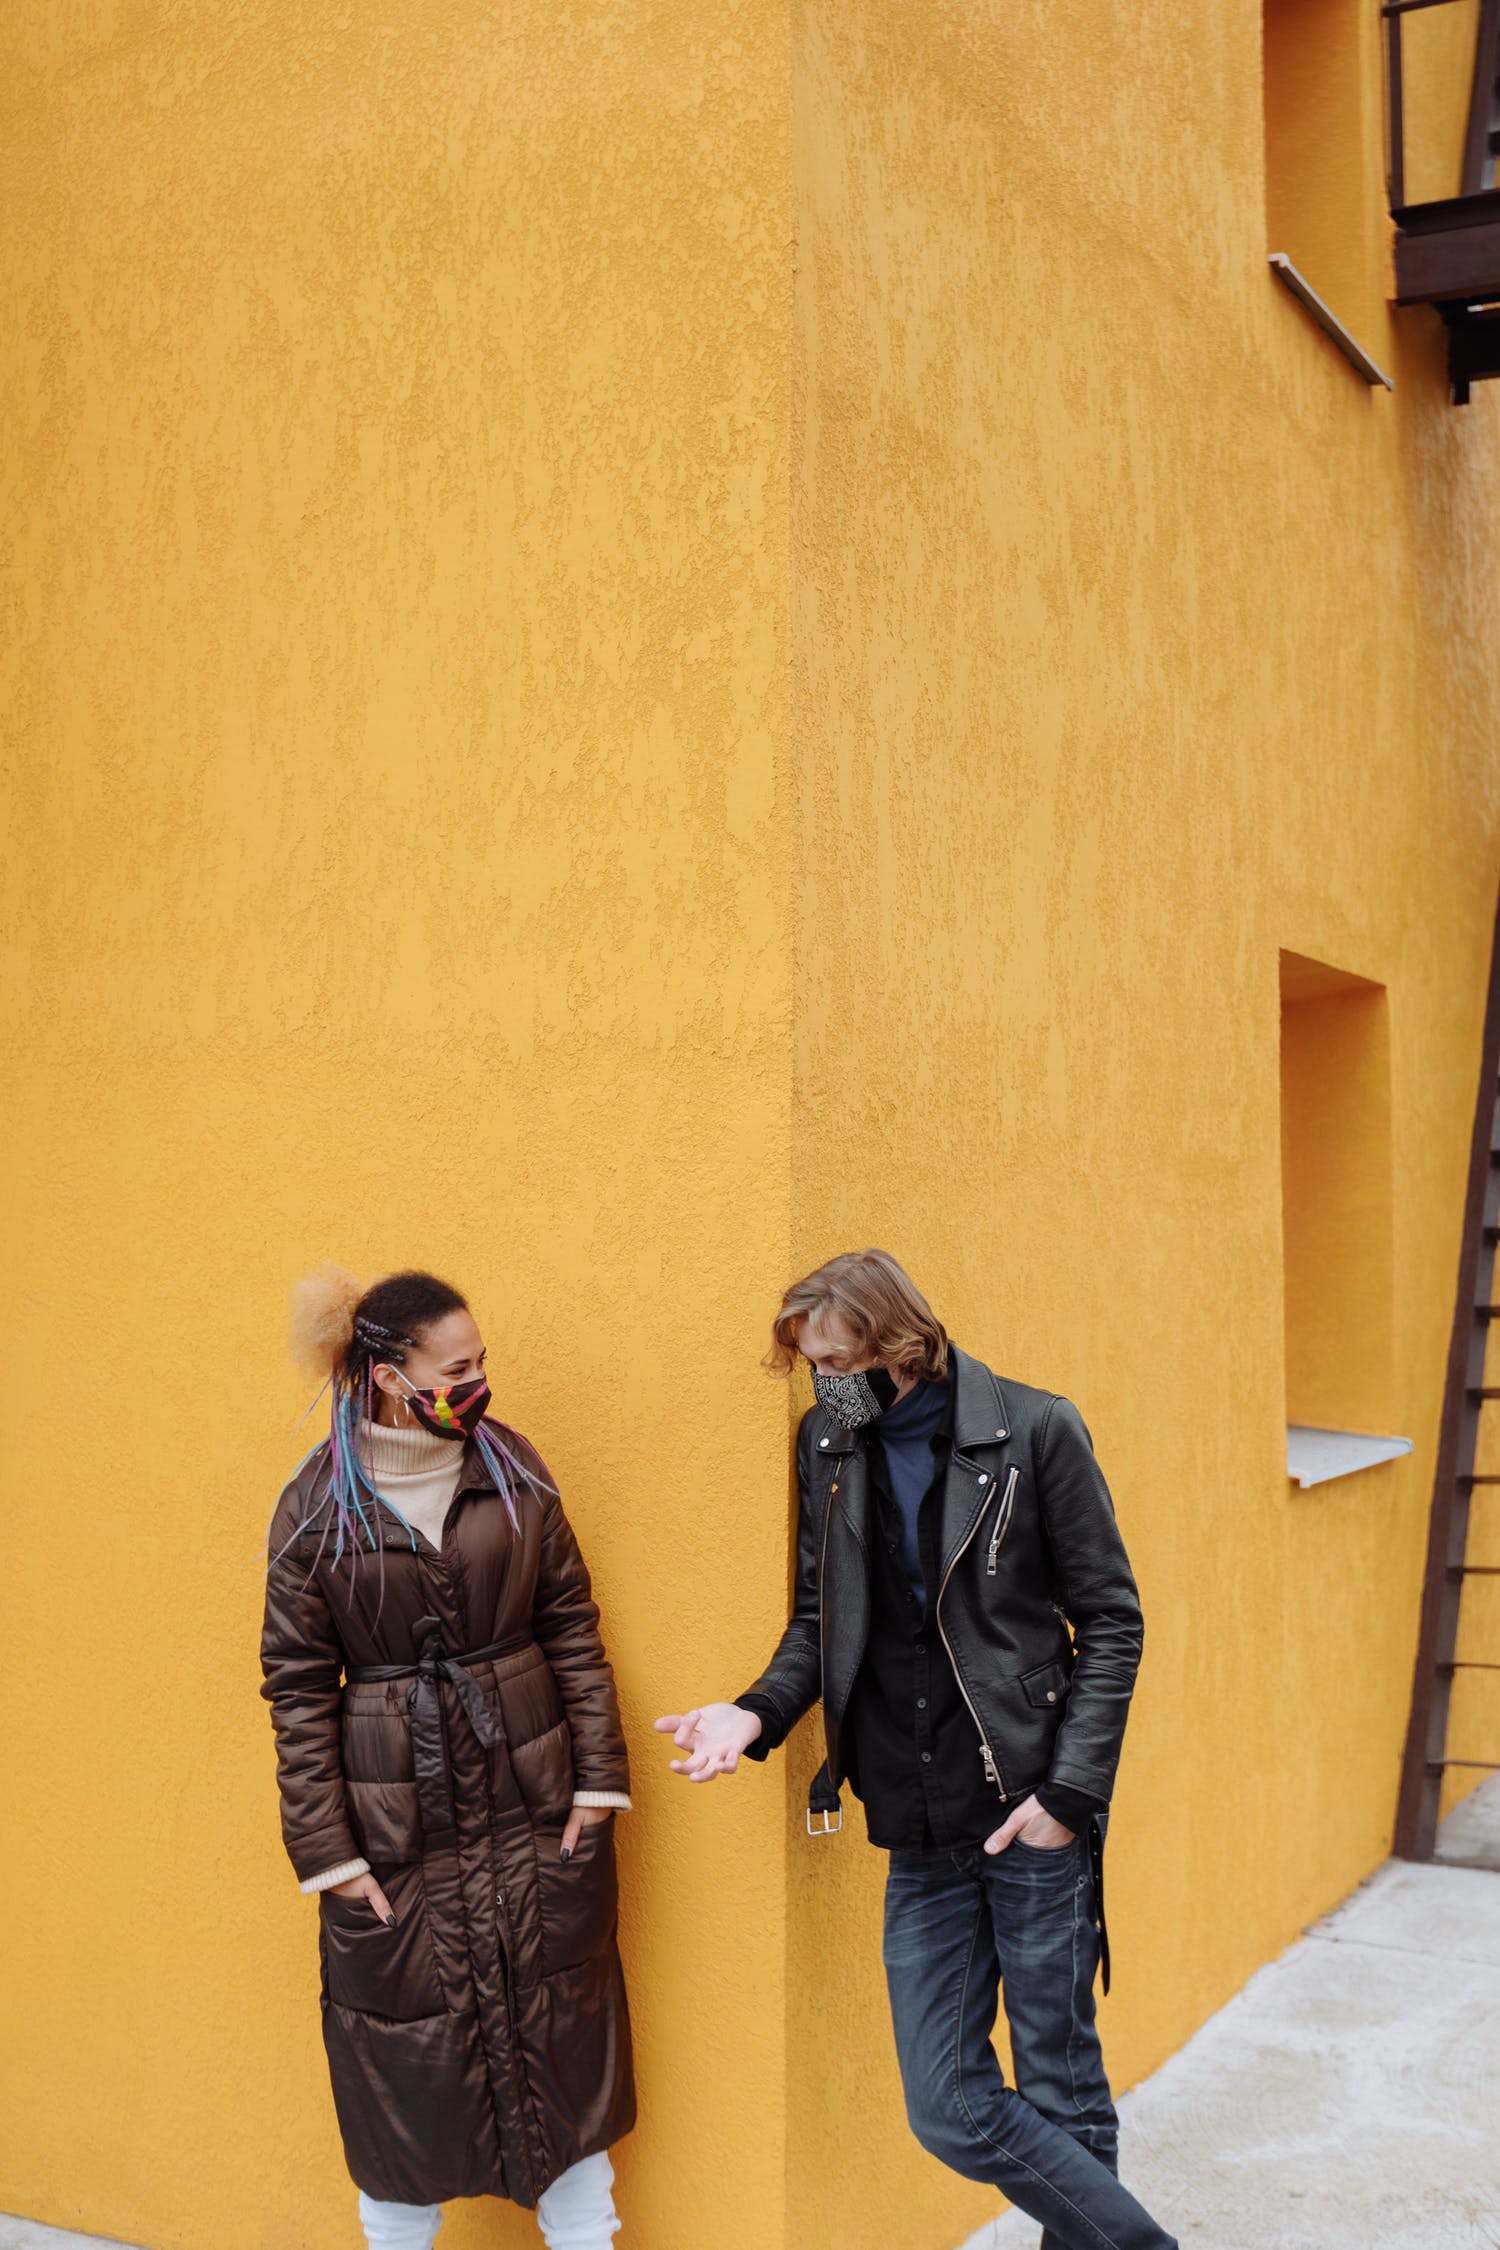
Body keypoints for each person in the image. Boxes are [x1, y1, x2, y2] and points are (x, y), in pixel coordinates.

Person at [656, 1250, 1177, 2250]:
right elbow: (820, 1618)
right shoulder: (828, 1444)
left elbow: (1112, 1621)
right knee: (947, 2105)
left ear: (898, 1347)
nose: (823, 1386)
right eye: (813, 1367)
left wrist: (1069, 1794)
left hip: (1031, 1809)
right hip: (918, 1819)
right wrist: (753, 1714)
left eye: (836, 1365)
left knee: (1061, 2084)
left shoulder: (1035, 1430)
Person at [262, 1265, 634, 2250]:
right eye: (456, 1369)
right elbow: (297, 1689)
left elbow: (570, 1623)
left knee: (564, 2062)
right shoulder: (315, 1507)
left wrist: (597, 1785)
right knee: (402, 2094)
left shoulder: (511, 1467)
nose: (477, 1383)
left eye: (480, 1362)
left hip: (534, 1809)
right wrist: (332, 1858)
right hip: (395, 1835)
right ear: (391, 1376)